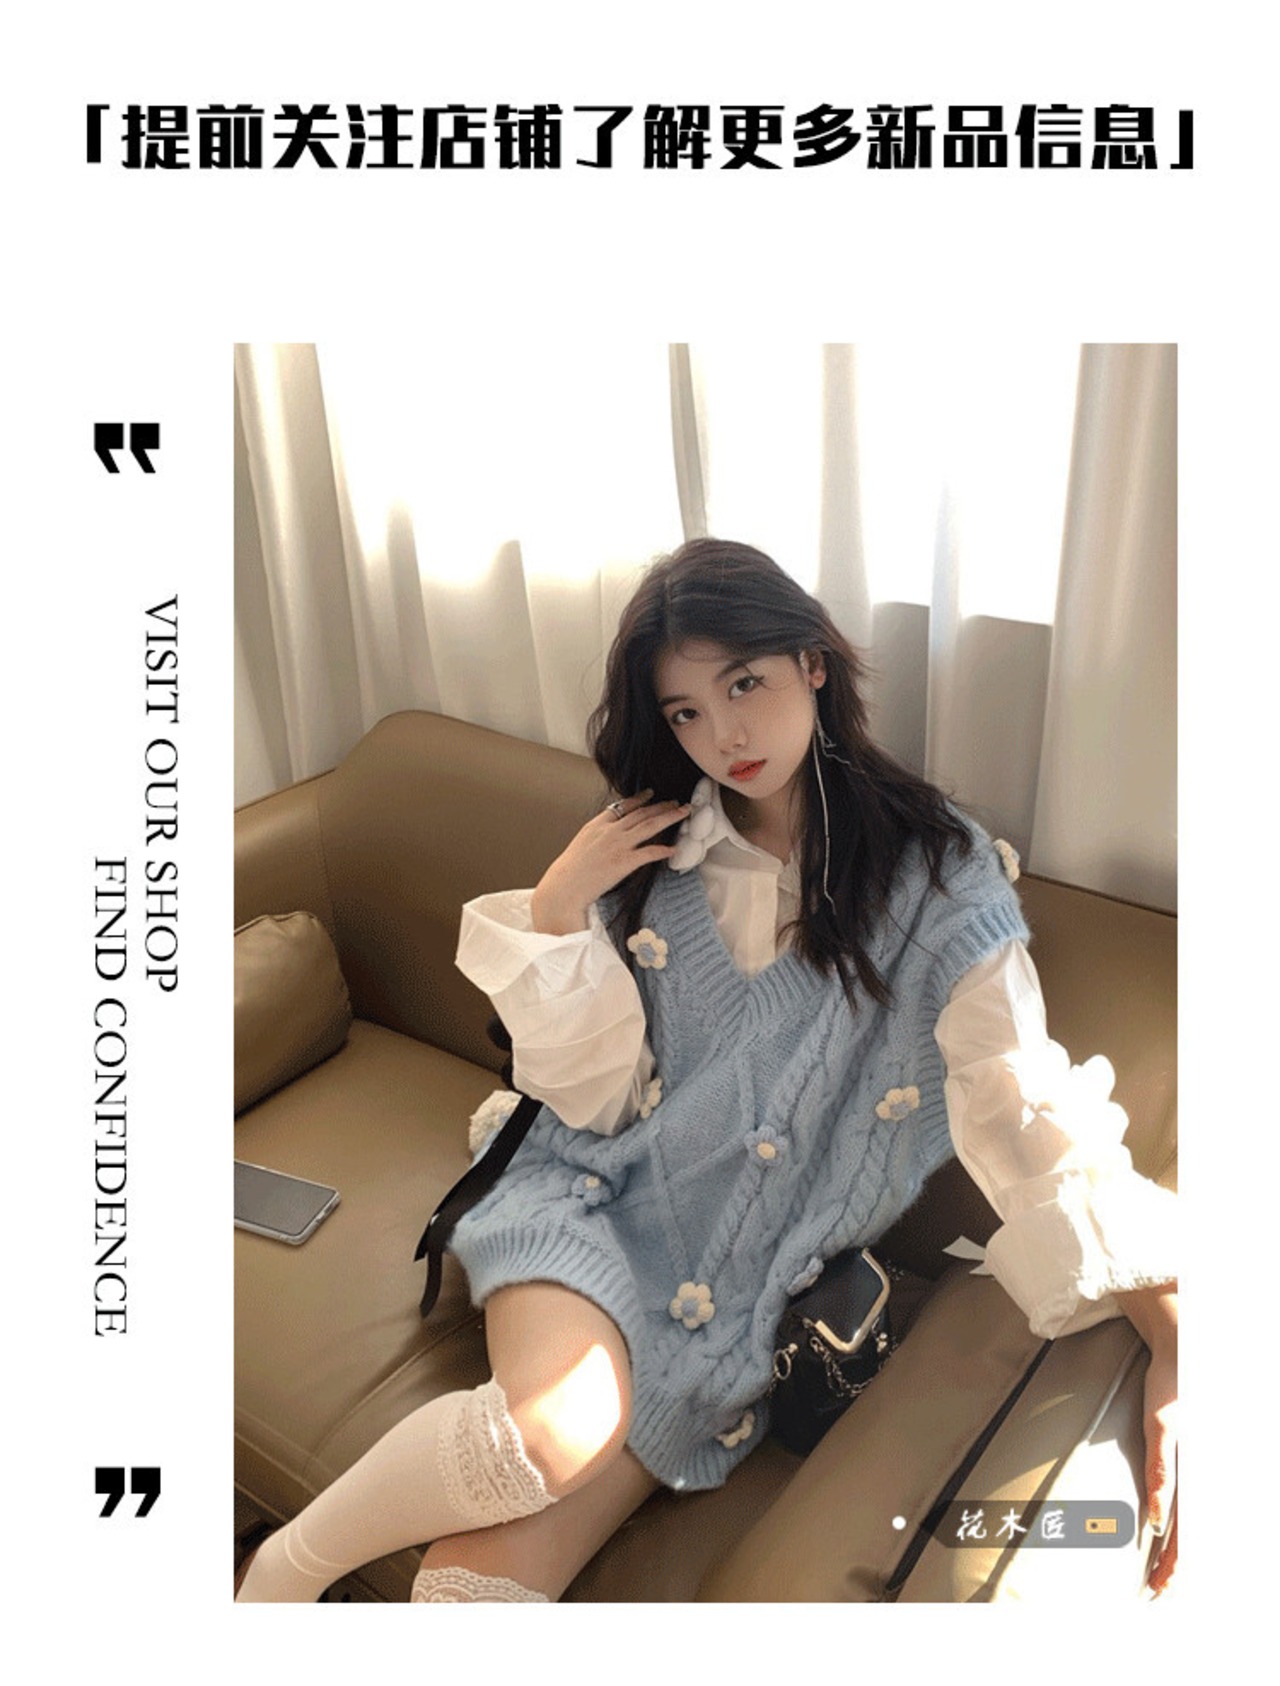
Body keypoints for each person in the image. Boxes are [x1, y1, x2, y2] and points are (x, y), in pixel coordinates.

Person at [235, 538, 1177, 1604]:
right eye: (684, 710)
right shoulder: (655, 853)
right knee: (544, 1432)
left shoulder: (939, 877)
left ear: (811, 663)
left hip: (733, 1294)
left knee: (469, 1592)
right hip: (589, 1197)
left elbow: (1018, 1100)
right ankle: (275, 1576)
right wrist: (558, 905)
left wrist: (1167, 1318)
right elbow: (590, 1101)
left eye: (743, 684)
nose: (722, 736)